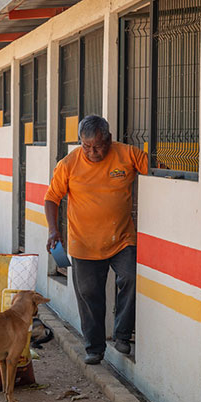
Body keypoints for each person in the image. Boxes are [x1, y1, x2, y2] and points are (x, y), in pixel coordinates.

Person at [44, 115, 148, 364]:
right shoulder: (68, 164)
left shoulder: (128, 154)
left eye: (98, 146)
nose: (92, 152)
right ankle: (94, 348)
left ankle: (122, 335)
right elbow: (52, 198)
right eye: (86, 146)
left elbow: (159, 171)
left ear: (109, 139)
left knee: (132, 278)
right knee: (89, 295)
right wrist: (52, 230)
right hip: (84, 243)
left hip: (122, 238)